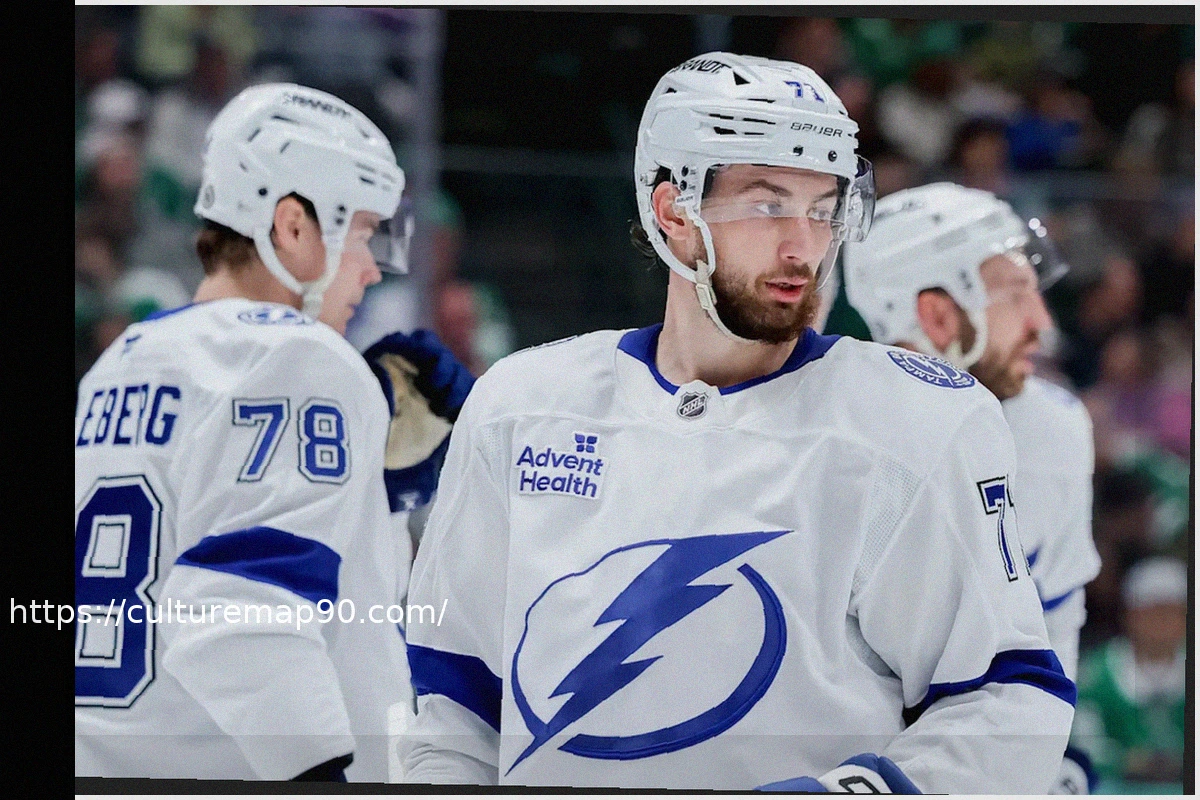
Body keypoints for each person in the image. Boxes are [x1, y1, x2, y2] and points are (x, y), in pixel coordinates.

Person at [401, 53, 1074, 793]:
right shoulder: (522, 406)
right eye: (768, 203)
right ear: (673, 214)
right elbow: (453, 697)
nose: (805, 246)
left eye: (823, 209)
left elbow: (1010, 700)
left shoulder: (919, 422)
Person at [74, 82, 461, 783]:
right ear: (292, 226)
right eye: (365, 233)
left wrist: (371, 495)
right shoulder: (299, 355)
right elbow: (238, 614)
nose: (373, 267)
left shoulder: (114, 365)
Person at [840, 181, 1103, 792]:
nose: (1041, 324)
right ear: (937, 315)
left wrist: (1047, 765)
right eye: (1015, 295)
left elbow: (1055, 629)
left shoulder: (1055, 430)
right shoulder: (836, 447)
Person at [1070, 556, 1187, 793]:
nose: (1162, 622)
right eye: (1153, 612)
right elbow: (1083, 745)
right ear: (1130, 614)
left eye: (1173, 612)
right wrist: (1126, 761)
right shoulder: (1097, 675)